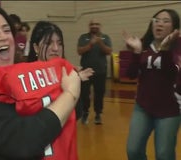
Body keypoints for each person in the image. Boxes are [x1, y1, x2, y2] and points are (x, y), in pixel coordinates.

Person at [0, 5, 81, 160]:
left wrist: (52, 74)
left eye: (7, 30)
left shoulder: (20, 78)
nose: (3, 36)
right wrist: (70, 94)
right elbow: (23, 141)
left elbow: (77, 111)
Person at [123, 8, 181, 160]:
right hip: (143, 107)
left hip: (170, 110)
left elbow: (172, 73)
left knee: (164, 155)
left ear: (174, 27)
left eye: (165, 21)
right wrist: (136, 53)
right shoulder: (144, 45)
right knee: (133, 150)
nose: (159, 24)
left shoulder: (178, 46)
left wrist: (166, 51)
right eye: (156, 20)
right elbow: (130, 74)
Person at [77, 18, 112, 124]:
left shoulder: (105, 37)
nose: (94, 26)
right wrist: (91, 44)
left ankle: (98, 114)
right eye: (92, 24)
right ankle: (85, 112)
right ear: (89, 26)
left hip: (100, 71)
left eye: (96, 24)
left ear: (100, 25)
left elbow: (109, 51)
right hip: (86, 72)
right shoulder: (83, 37)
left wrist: (100, 42)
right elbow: (79, 51)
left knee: (99, 94)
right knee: (84, 94)